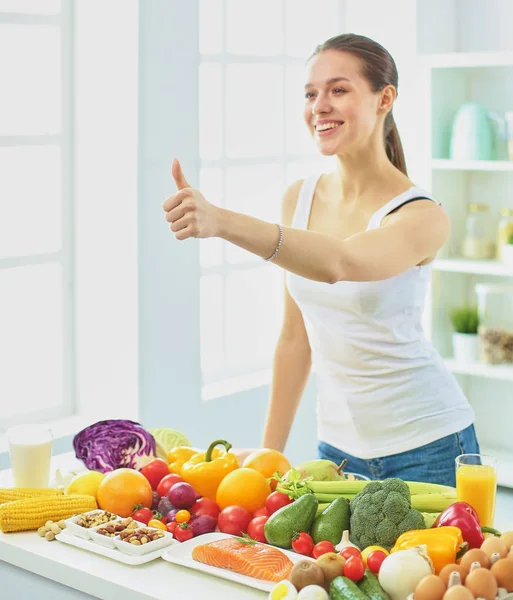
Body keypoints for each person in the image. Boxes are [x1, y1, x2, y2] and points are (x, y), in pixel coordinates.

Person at [162, 33, 479, 487]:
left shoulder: (423, 215)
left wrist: (222, 222)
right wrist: (269, 454)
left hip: (428, 444)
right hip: (335, 452)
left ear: (384, 98)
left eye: (338, 89)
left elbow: (341, 263)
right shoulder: (300, 199)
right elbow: (296, 338)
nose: (319, 106)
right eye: (311, 94)